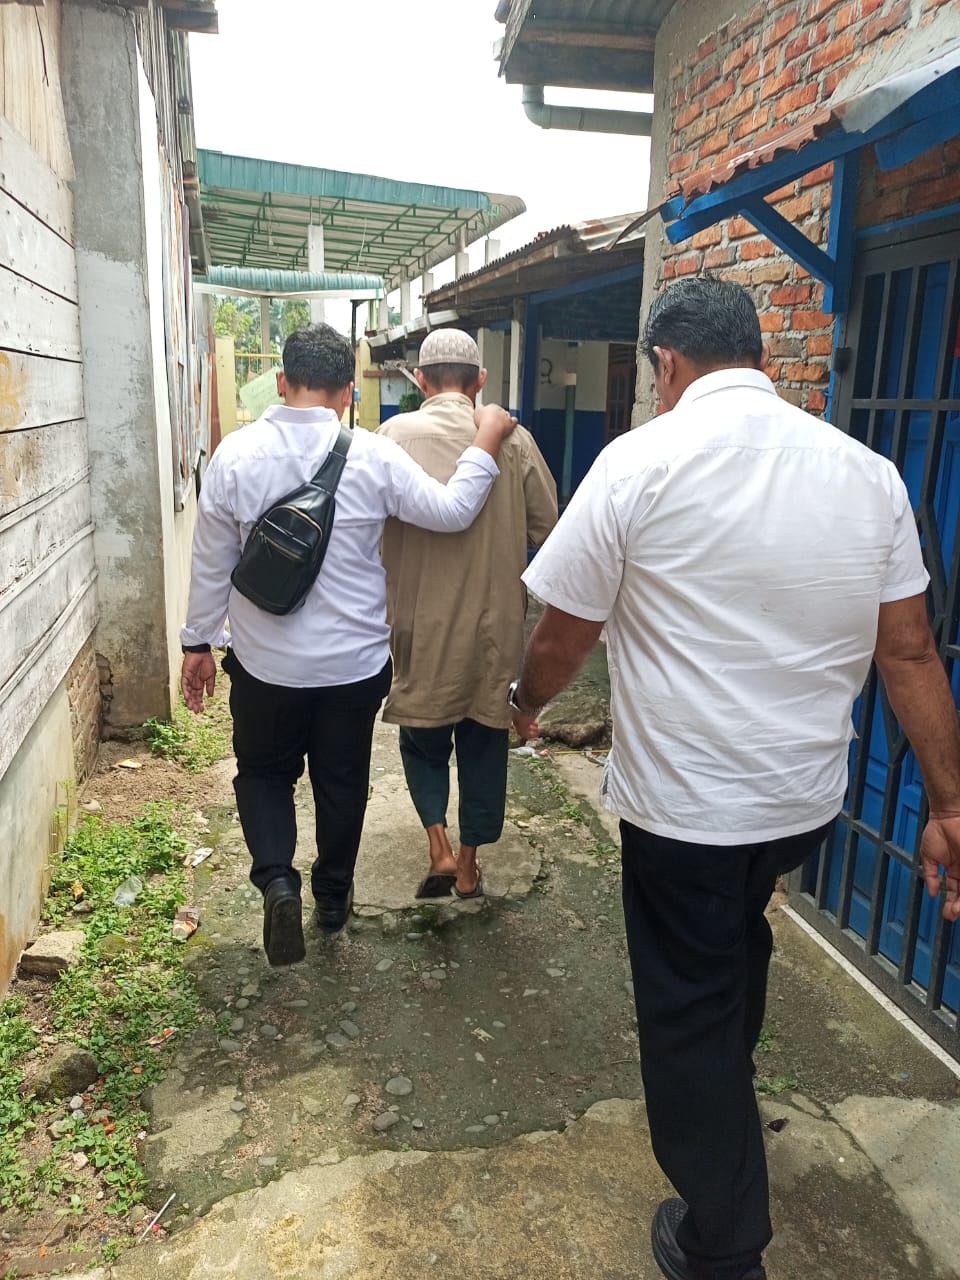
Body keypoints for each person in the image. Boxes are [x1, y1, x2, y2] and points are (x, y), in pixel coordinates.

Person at [508, 277, 960, 1280]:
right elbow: (910, 650)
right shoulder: (868, 473)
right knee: (735, 935)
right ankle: (730, 1077)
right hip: (802, 804)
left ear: (666, 364)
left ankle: (724, 1241)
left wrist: (524, 702)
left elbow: (564, 635)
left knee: (685, 1010)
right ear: (757, 355)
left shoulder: (637, 463)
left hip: (687, 811)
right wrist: (951, 804)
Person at [179, 323, 516, 968]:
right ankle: (332, 901)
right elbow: (452, 512)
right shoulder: (373, 455)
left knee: (264, 774)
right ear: (346, 393)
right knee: (341, 781)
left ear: (282, 382)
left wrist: (198, 644)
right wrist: (487, 438)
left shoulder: (234, 456)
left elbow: (212, 562)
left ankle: (278, 880)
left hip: (264, 666)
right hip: (352, 669)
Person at [379, 329, 557, 900]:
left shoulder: (392, 437)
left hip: (418, 621)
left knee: (422, 739)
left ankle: (439, 846)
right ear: (479, 381)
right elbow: (548, 531)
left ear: (420, 380)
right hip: (491, 625)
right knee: (484, 741)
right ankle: (470, 865)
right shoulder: (515, 441)